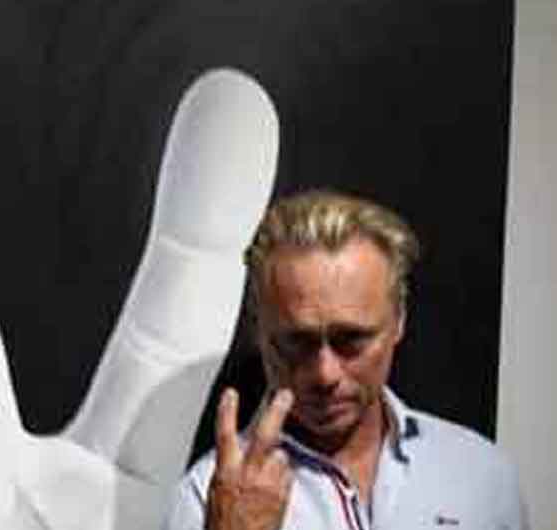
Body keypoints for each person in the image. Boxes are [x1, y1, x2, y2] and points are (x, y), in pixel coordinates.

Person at [163, 190, 528, 530]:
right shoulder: (205, 497)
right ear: (259, 332)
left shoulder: (481, 475)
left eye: (352, 340)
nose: (325, 374)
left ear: (399, 320)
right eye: (297, 342)